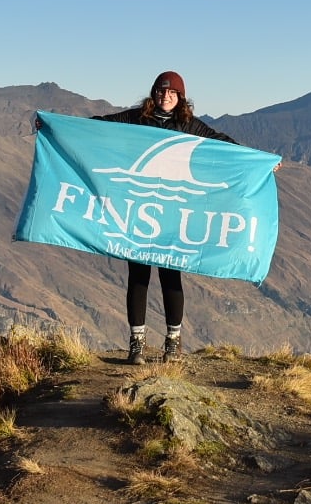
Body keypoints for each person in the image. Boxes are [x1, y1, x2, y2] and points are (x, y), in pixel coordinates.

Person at [92, 70, 240, 365]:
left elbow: (220, 142)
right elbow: (99, 127)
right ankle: (137, 344)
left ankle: (172, 343)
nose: (165, 97)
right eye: (161, 92)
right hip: (140, 211)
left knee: (171, 275)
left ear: (180, 97)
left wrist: (261, 163)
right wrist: (55, 126)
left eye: (172, 93)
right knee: (138, 276)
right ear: (153, 94)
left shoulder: (188, 124)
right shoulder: (137, 118)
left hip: (173, 212)